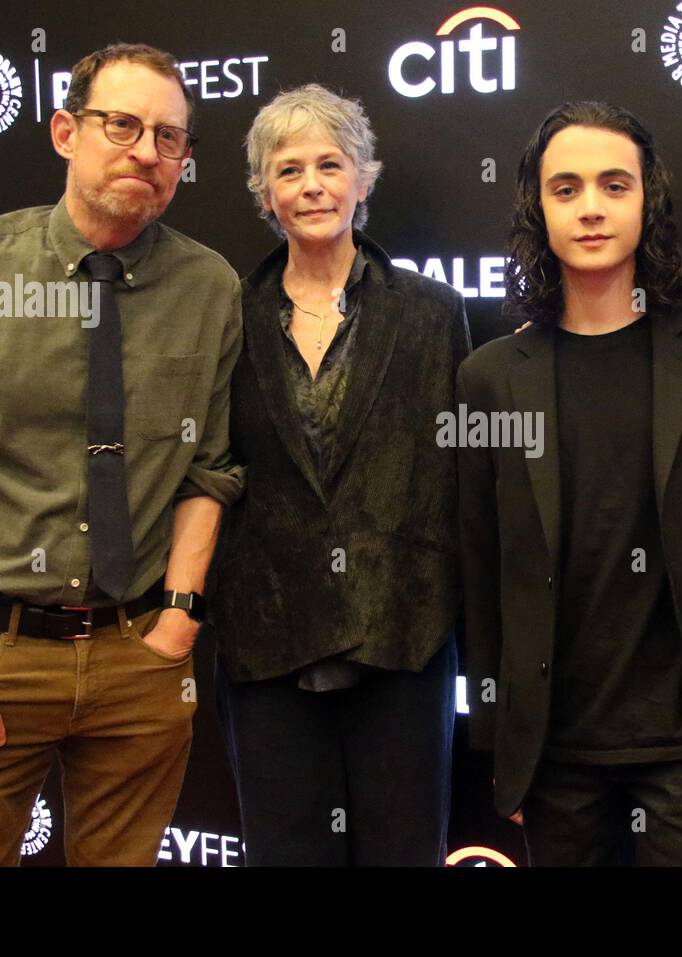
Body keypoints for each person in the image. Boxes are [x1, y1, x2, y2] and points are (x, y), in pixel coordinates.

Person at [0, 43, 244, 866]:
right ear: (66, 131)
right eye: (123, 124)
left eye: (170, 137)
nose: (147, 149)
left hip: (139, 658)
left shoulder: (209, 287)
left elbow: (210, 467)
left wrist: (177, 616)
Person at [458, 102, 682, 866]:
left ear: (646, 200)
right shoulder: (490, 377)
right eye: (566, 188)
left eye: (614, 185)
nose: (591, 207)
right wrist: (501, 742)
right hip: (555, 752)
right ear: (539, 208)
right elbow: (480, 567)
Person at [208, 84, 470, 866]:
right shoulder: (230, 314)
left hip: (403, 635)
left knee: (404, 850)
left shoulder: (431, 310)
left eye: (331, 163)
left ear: (364, 177)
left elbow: (456, 473)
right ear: (264, 192)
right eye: (289, 170)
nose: (312, 184)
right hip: (267, 640)